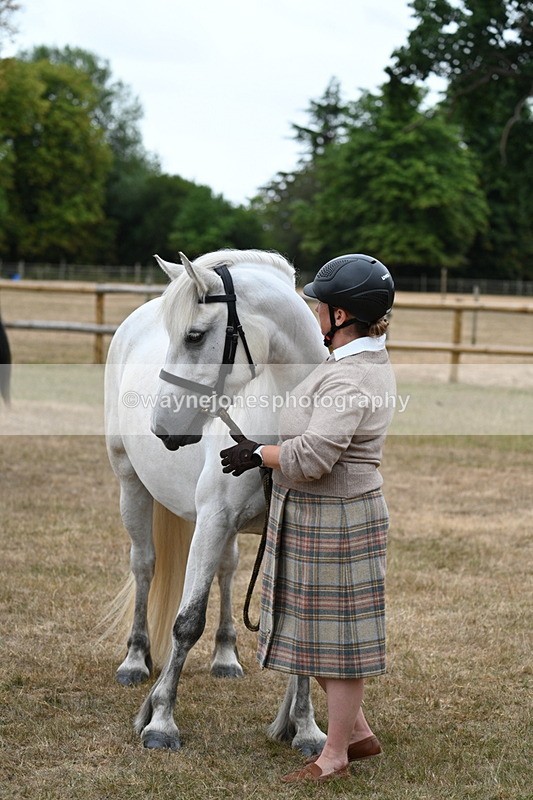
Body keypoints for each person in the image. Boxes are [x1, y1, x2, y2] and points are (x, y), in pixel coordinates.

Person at [220, 253, 396, 784]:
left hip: (338, 516)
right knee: (314, 632)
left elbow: (315, 456)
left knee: (338, 643)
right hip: (314, 512)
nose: (315, 311)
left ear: (341, 315)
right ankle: (358, 732)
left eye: (321, 304)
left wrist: (260, 454)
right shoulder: (344, 363)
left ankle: (334, 755)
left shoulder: (353, 378)